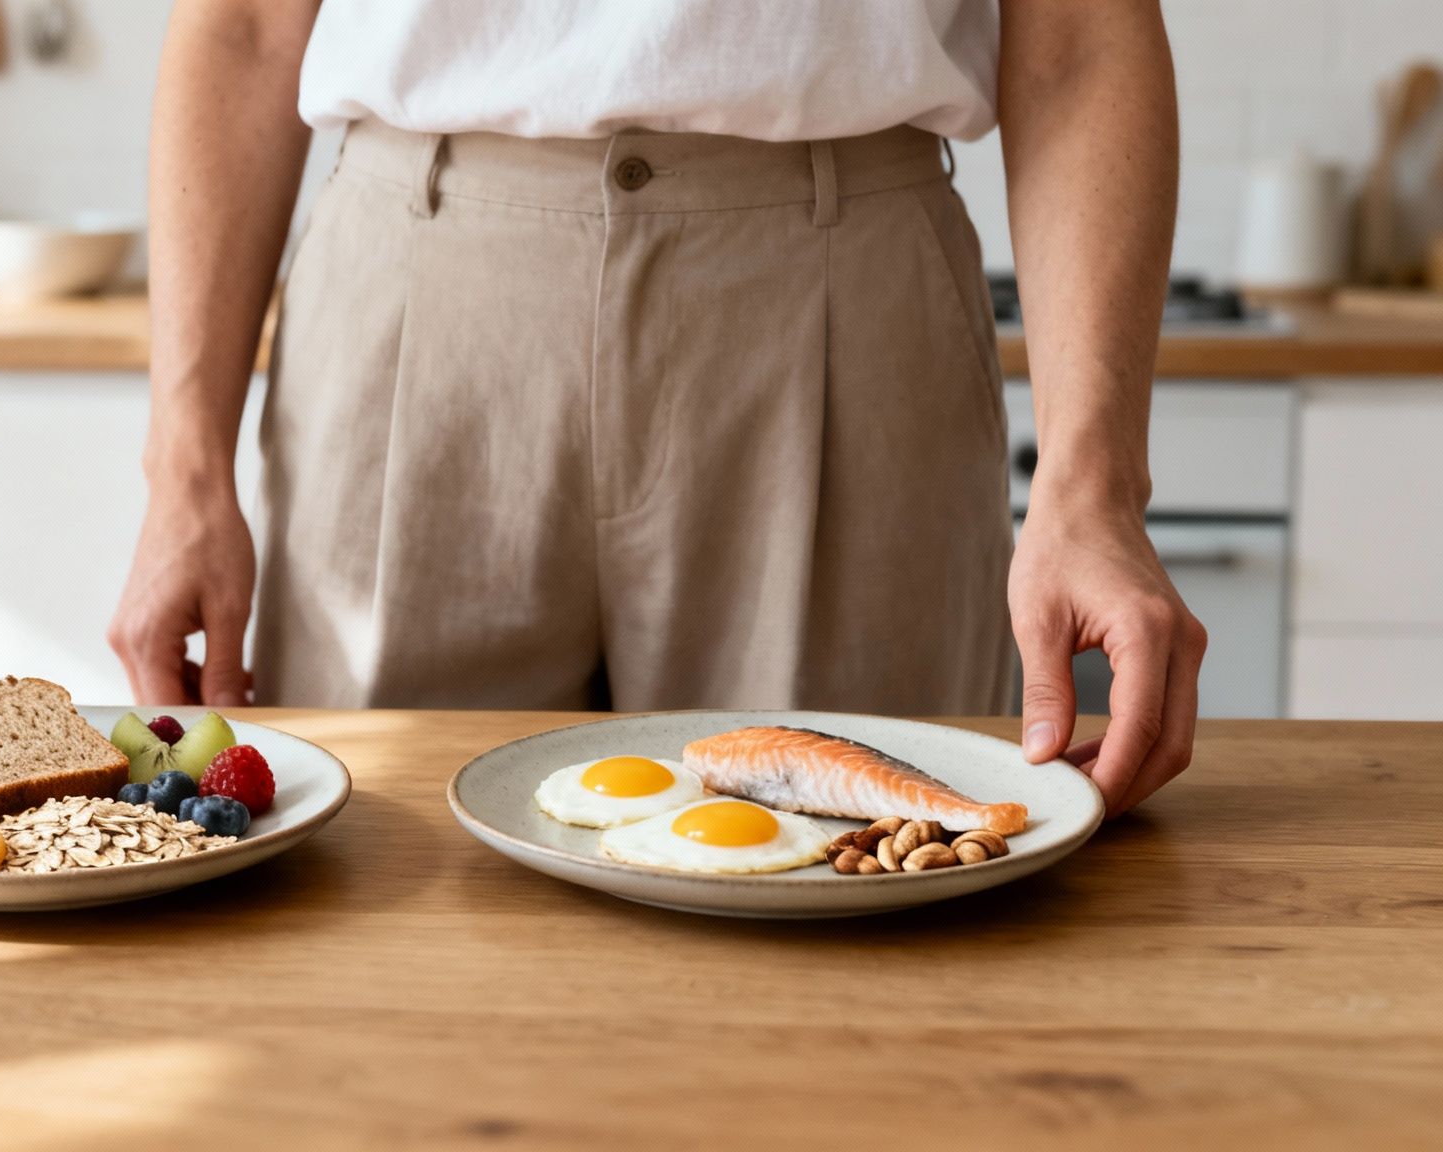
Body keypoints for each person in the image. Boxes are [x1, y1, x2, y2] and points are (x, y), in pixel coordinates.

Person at [109, 0, 1206, 818]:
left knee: (862, 886)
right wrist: (184, 476)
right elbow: (248, 24)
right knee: (382, 886)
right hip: (422, 305)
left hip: (835, 304)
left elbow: (1074, 38)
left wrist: (1093, 489)